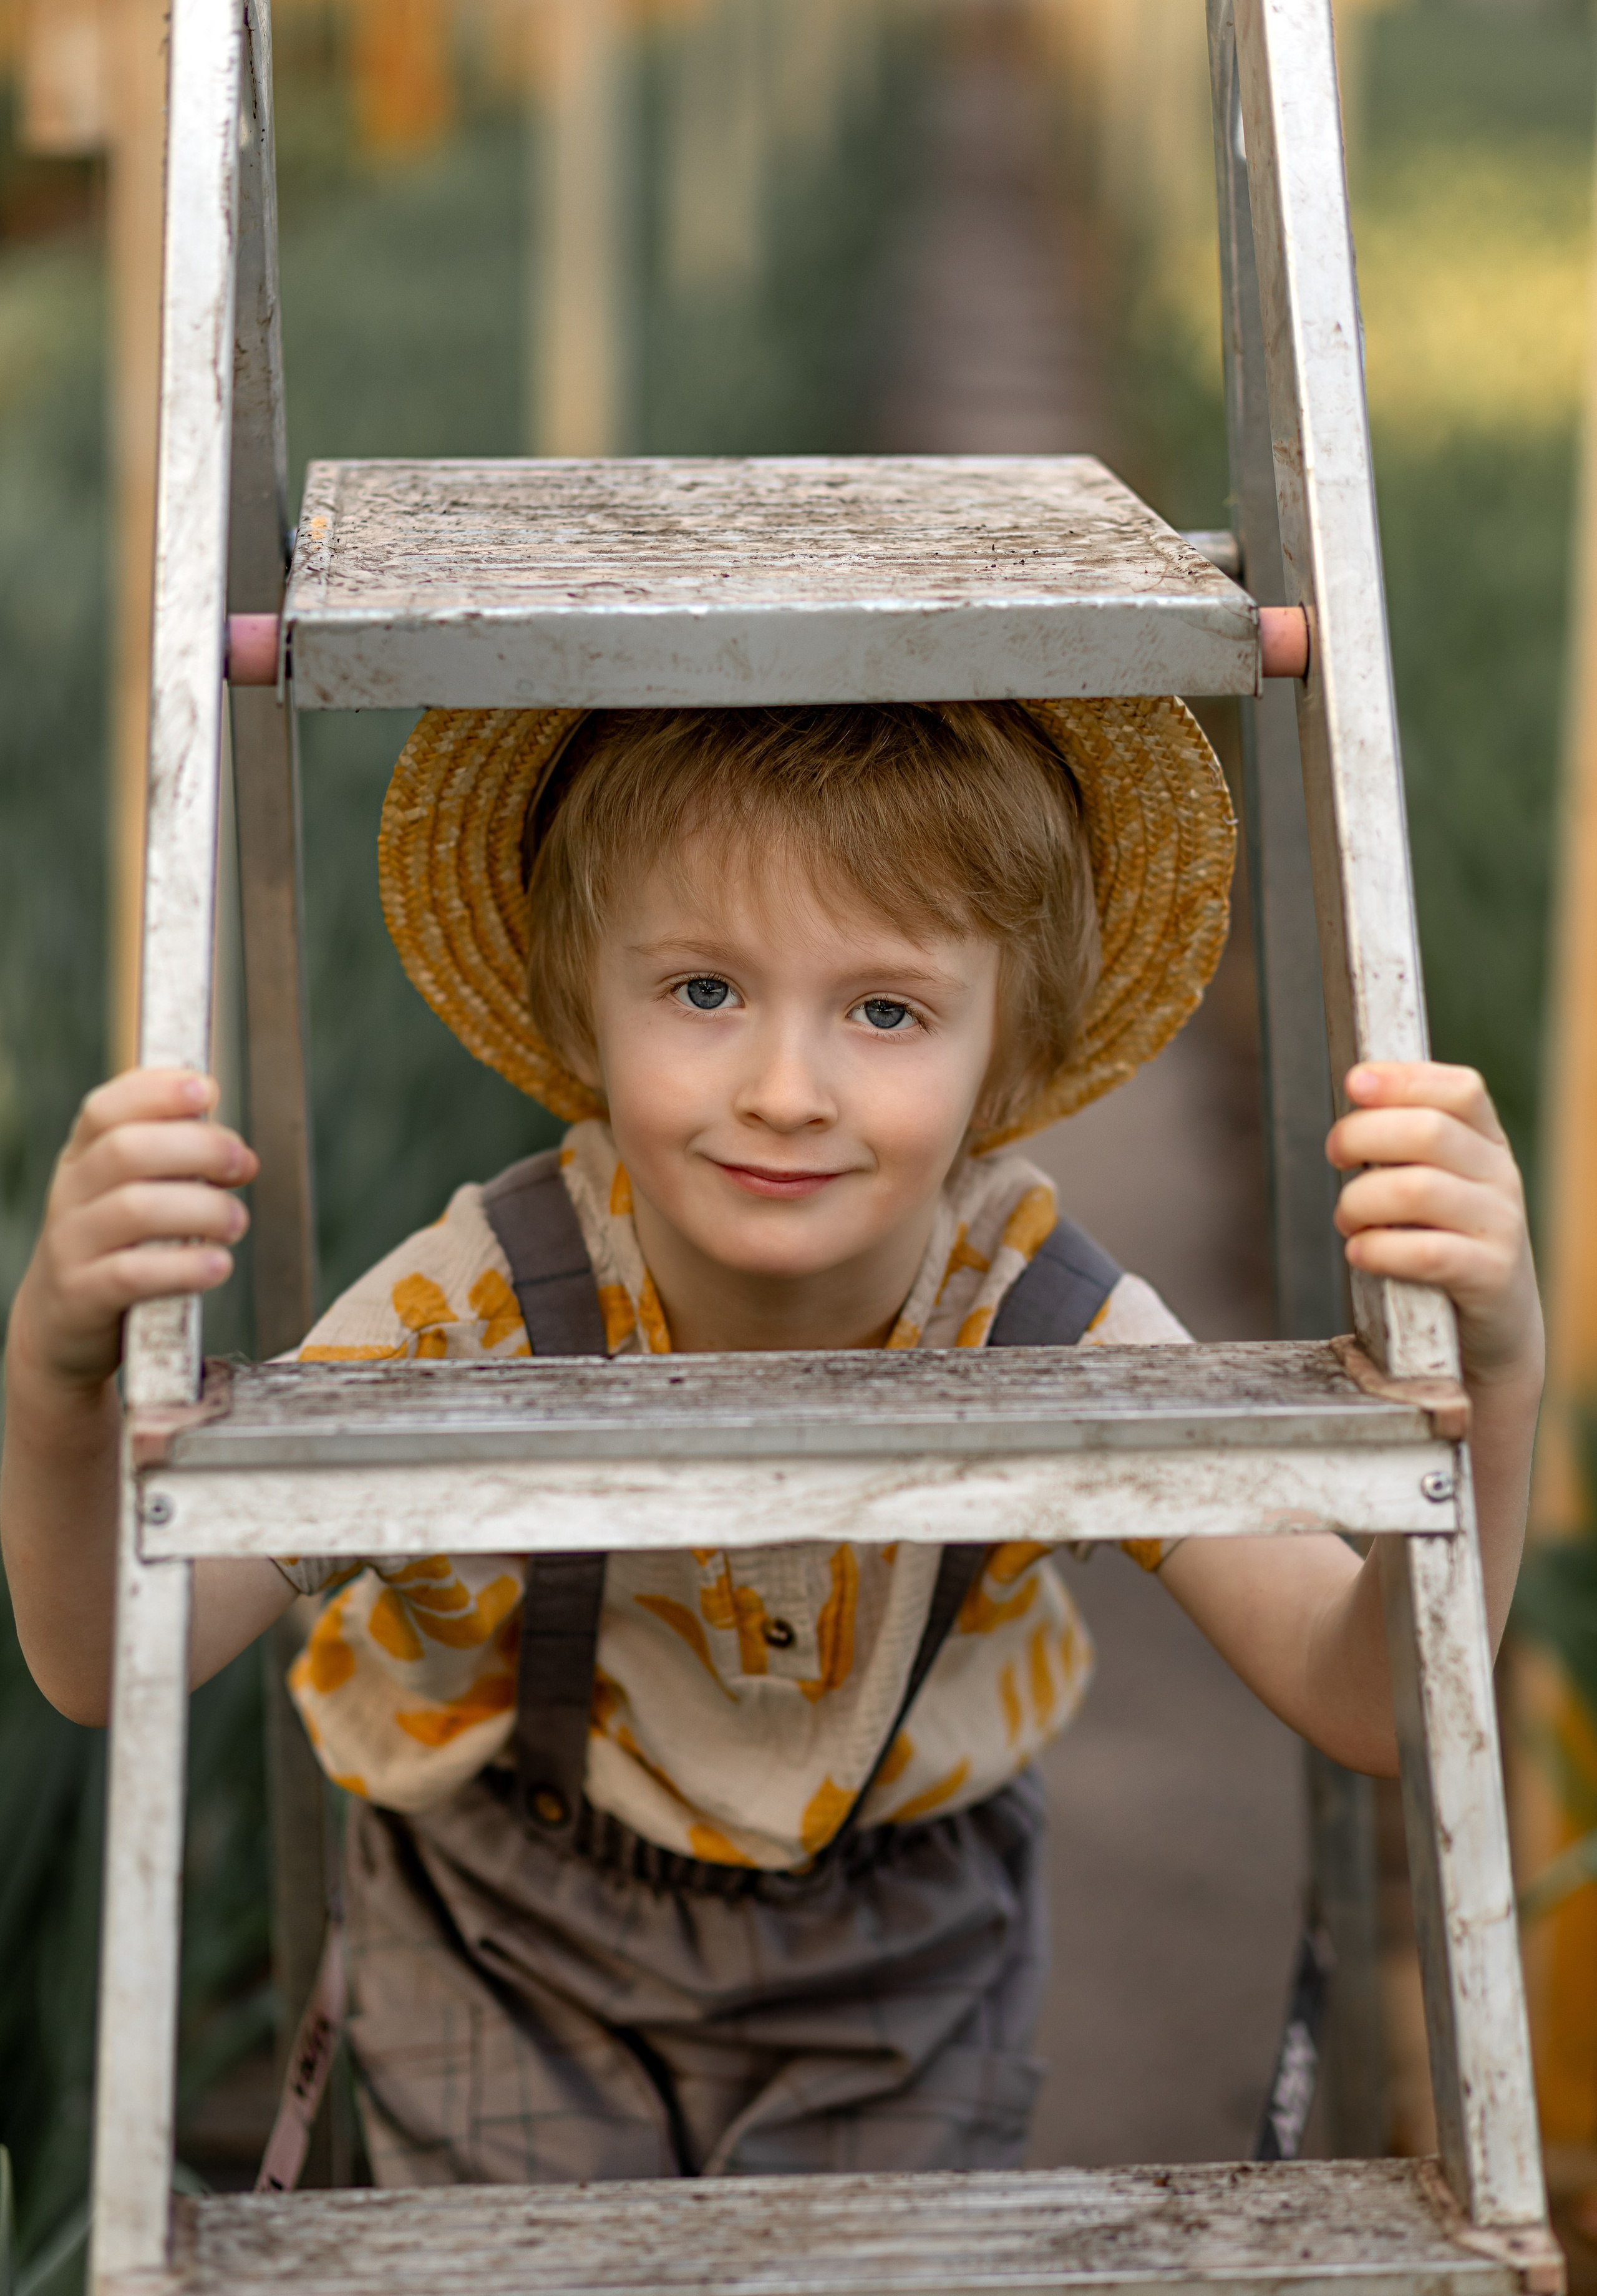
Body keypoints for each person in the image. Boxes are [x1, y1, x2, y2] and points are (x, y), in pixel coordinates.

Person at [1, 698, 1543, 2184]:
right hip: (503, 1929)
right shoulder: (474, 1307)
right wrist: (55, 1384)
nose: (785, 1093)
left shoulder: (1040, 1323)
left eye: (884, 1011)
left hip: (902, 1934)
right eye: (702, 992)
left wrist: (1497, 1381)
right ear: (580, 998)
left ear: (1005, 1052)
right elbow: (106, 1658)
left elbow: (1366, 1698)